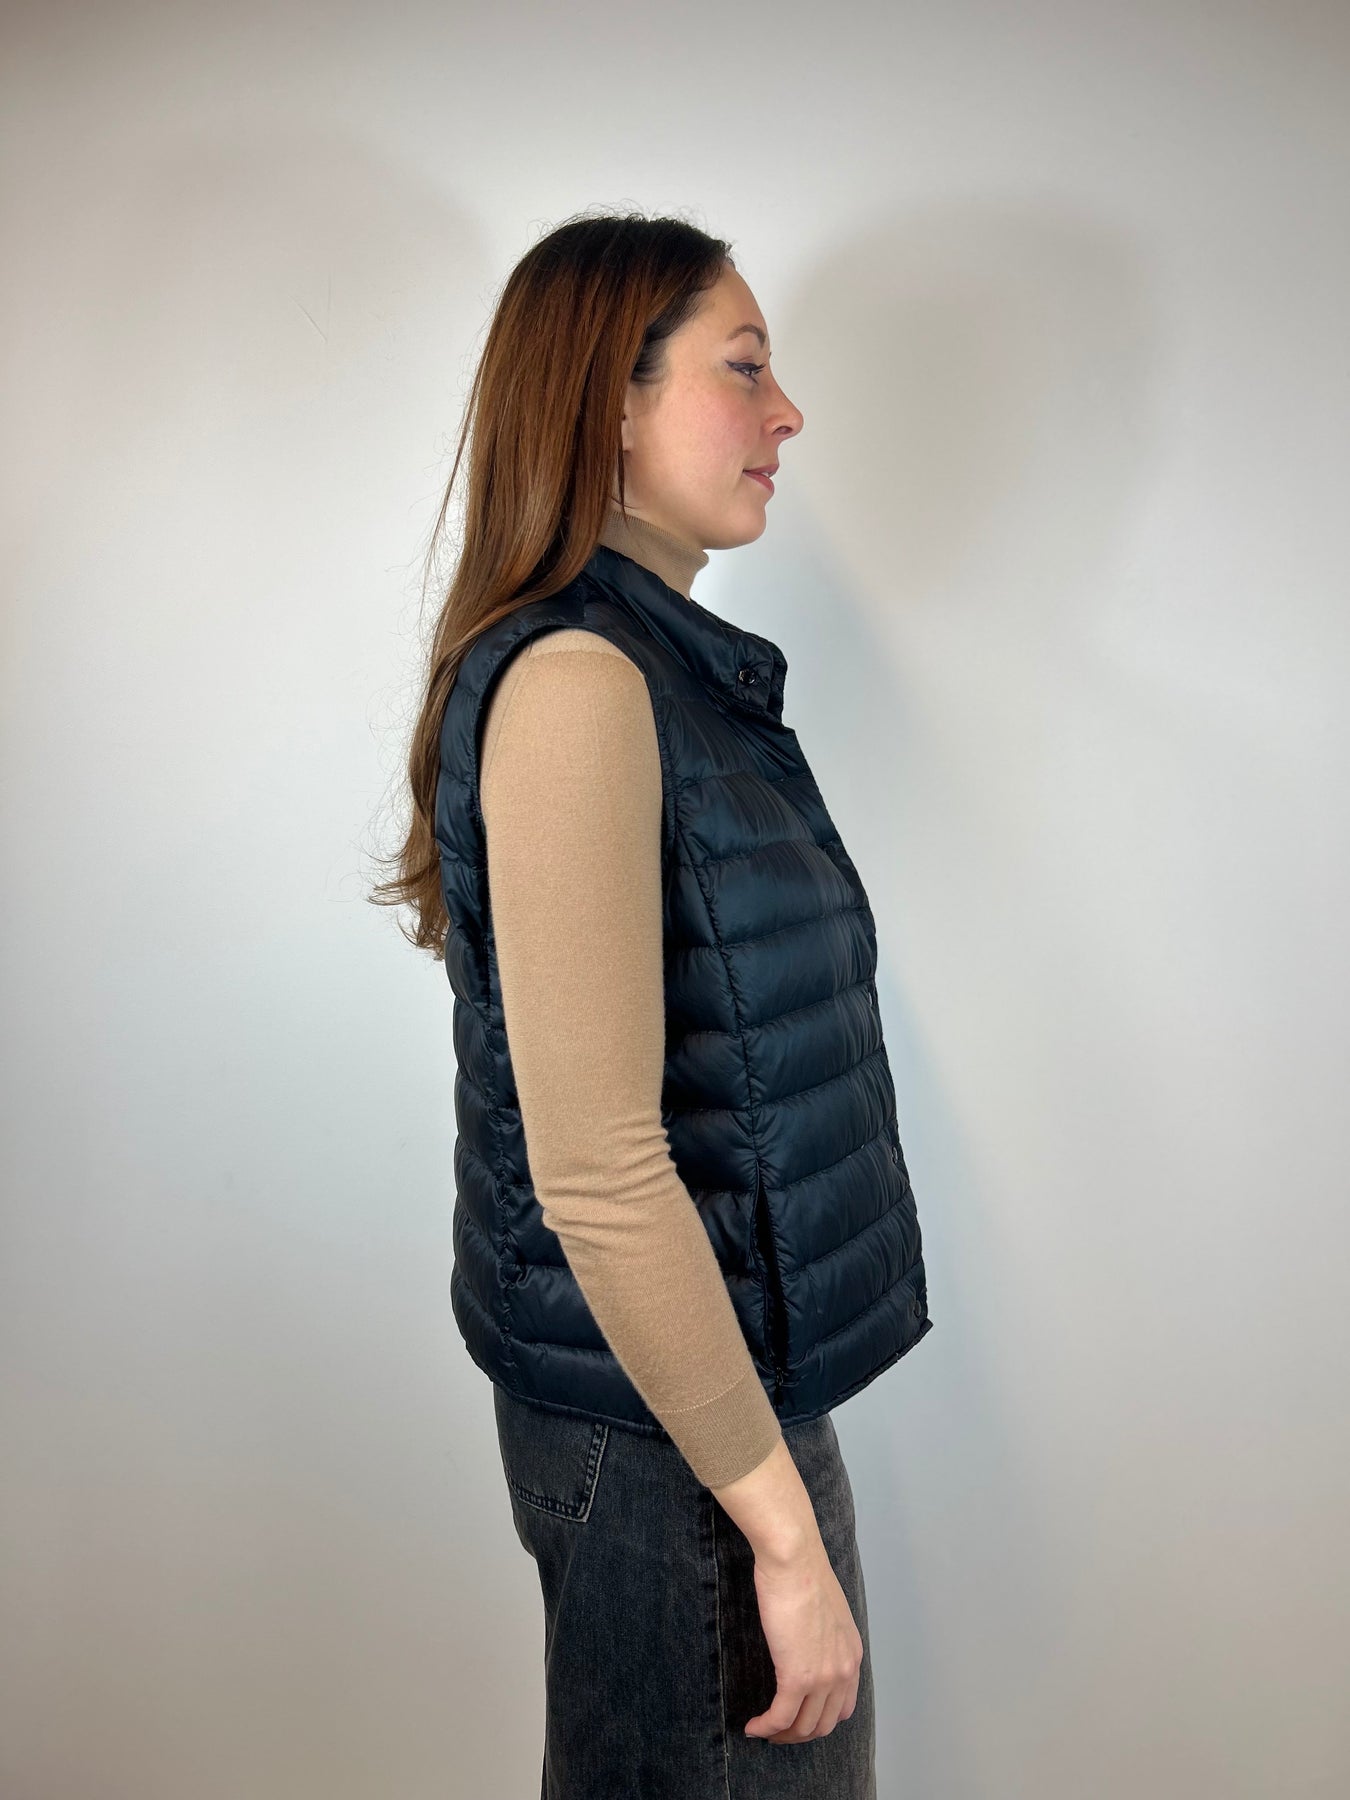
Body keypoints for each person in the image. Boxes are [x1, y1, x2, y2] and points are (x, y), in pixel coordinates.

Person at [372, 210, 933, 1799]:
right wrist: (781, 1537)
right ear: (605, 405)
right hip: (675, 1445)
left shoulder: (657, 672)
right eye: (741, 368)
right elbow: (604, 1173)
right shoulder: (580, 685)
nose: (786, 413)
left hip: (695, 1412)